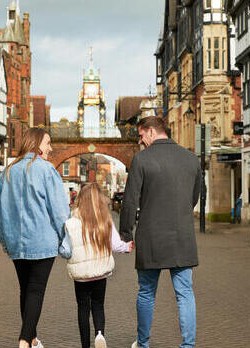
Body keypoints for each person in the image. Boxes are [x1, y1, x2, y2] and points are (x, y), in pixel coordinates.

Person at [120, 116, 202, 348]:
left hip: (151, 236)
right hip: (182, 235)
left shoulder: (142, 160)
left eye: (141, 135)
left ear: (152, 133)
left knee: (146, 292)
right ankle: (188, 345)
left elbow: (129, 201)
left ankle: (143, 343)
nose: (140, 141)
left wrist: (126, 234)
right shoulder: (190, 158)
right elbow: (194, 197)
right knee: (185, 293)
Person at [0, 127, 70, 348]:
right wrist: (65, 240)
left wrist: (5, 243)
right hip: (42, 241)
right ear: (37, 144)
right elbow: (59, 212)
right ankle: (25, 340)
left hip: (16, 243)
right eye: (48, 143)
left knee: (26, 290)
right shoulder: (46, 170)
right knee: (36, 291)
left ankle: (33, 339)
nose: (50, 147)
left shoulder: (7, 172)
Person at [59, 183, 133, 348]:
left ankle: (85, 345)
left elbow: (65, 250)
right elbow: (116, 244)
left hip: (80, 276)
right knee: (98, 305)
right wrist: (127, 247)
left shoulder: (71, 222)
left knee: (83, 309)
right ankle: (100, 334)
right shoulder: (105, 220)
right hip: (100, 272)